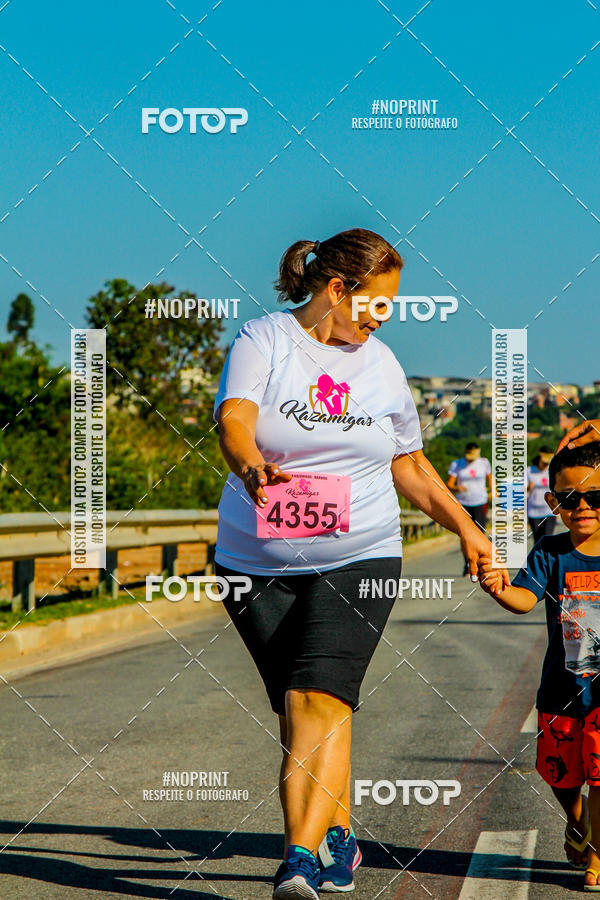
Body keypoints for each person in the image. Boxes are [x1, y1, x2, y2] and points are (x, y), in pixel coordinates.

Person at [212, 227, 507, 899]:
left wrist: (467, 527)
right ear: (337, 289)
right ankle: (340, 834)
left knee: (318, 697)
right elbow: (234, 420)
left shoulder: (382, 365)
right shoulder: (265, 339)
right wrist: (253, 467)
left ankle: (298, 861)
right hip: (253, 562)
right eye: (377, 303)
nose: (384, 318)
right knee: (305, 711)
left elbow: (410, 462)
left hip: (360, 553)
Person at [480, 442, 600, 891]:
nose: (583, 506)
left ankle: (597, 854)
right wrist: (497, 586)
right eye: (570, 498)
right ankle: (578, 820)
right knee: (561, 776)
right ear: (553, 502)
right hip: (561, 690)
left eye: (595, 496)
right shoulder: (550, 551)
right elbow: (524, 599)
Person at [447, 442, 493, 575]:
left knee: (480, 532)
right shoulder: (457, 464)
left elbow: (490, 479)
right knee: (465, 534)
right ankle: (467, 563)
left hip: (480, 502)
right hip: (463, 503)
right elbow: (450, 483)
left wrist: (492, 491)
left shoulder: (484, 463)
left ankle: (479, 563)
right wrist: (457, 488)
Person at [527, 446, 556, 543]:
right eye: (544, 463)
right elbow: (522, 490)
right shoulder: (529, 471)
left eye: (547, 463)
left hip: (549, 511)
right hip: (534, 512)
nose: (545, 465)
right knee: (538, 540)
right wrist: (529, 487)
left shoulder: (552, 470)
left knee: (548, 538)